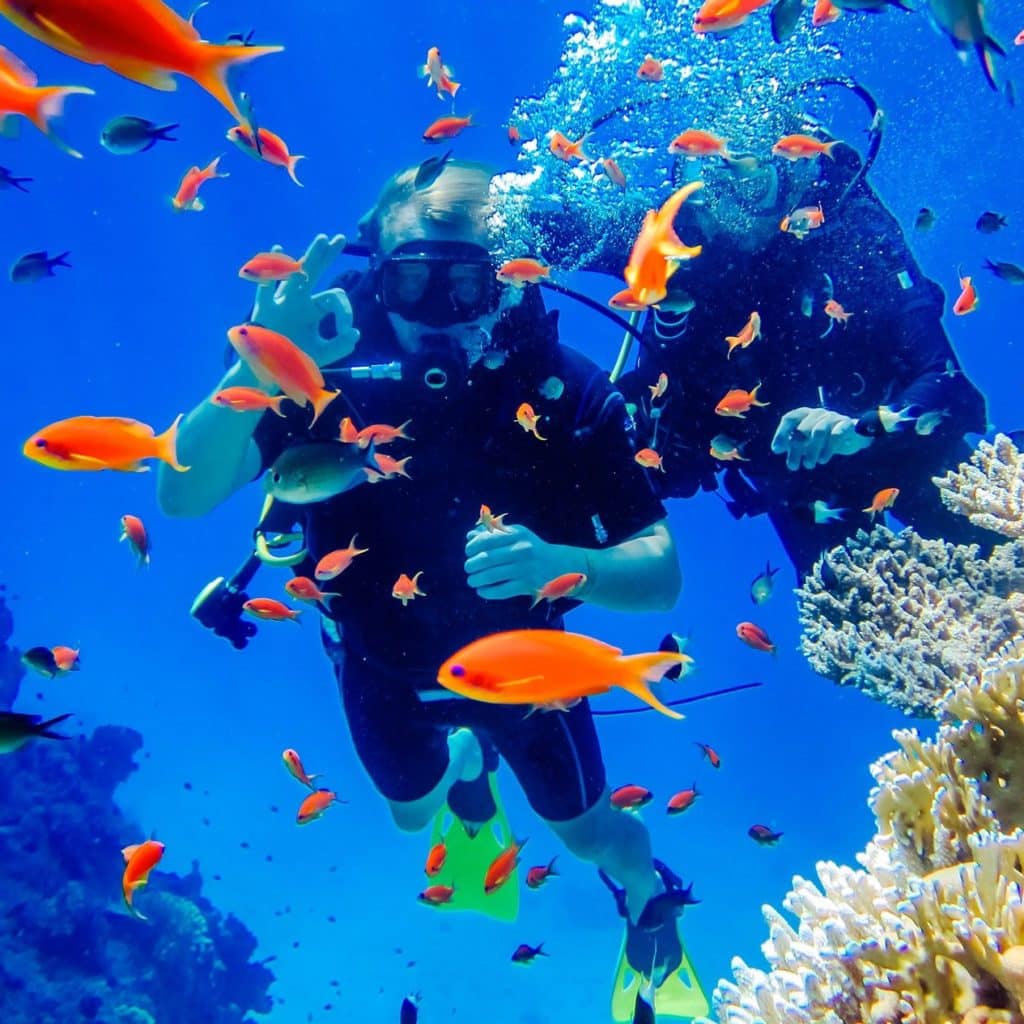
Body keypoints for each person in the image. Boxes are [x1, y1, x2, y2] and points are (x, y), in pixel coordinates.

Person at [158, 161, 706, 1019]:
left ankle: (648, 896)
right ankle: (464, 763)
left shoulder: (559, 389)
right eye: (413, 282)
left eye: (466, 283)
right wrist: (260, 368)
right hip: (383, 665)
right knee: (411, 819)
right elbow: (180, 493)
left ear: (506, 281)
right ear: (378, 277)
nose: (438, 314)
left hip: (532, 676)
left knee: (594, 835)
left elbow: (662, 575)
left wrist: (572, 564)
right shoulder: (319, 374)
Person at [612, 139, 990, 575]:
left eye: (753, 187)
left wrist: (863, 429)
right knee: (852, 627)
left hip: (917, 455)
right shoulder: (684, 284)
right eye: (714, 193)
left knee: (1005, 564)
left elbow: (947, 381)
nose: (736, 214)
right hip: (800, 493)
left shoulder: (849, 235)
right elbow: (674, 458)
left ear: (790, 172)